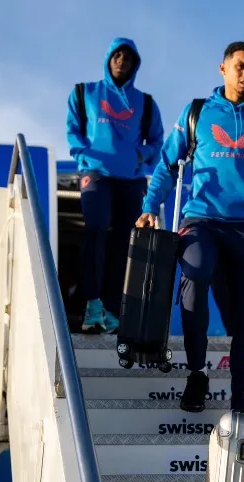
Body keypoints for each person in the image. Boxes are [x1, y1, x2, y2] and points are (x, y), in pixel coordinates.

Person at [136, 41, 244, 413]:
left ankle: (241, 394)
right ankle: (197, 373)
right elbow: (166, 164)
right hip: (202, 221)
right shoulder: (198, 113)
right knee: (193, 277)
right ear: (223, 68)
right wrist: (149, 207)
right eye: (240, 66)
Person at [66, 37, 165, 333]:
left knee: (125, 241)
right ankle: (91, 303)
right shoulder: (85, 93)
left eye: (128, 57)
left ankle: (111, 309)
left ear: (135, 65)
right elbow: (73, 133)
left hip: (130, 179)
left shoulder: (145, 103)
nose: (122, 61)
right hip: (95, 174)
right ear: (109, 59)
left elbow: (157, 142)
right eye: (117, 55)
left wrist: (139, 155)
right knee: (95, 229)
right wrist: (84, 157)